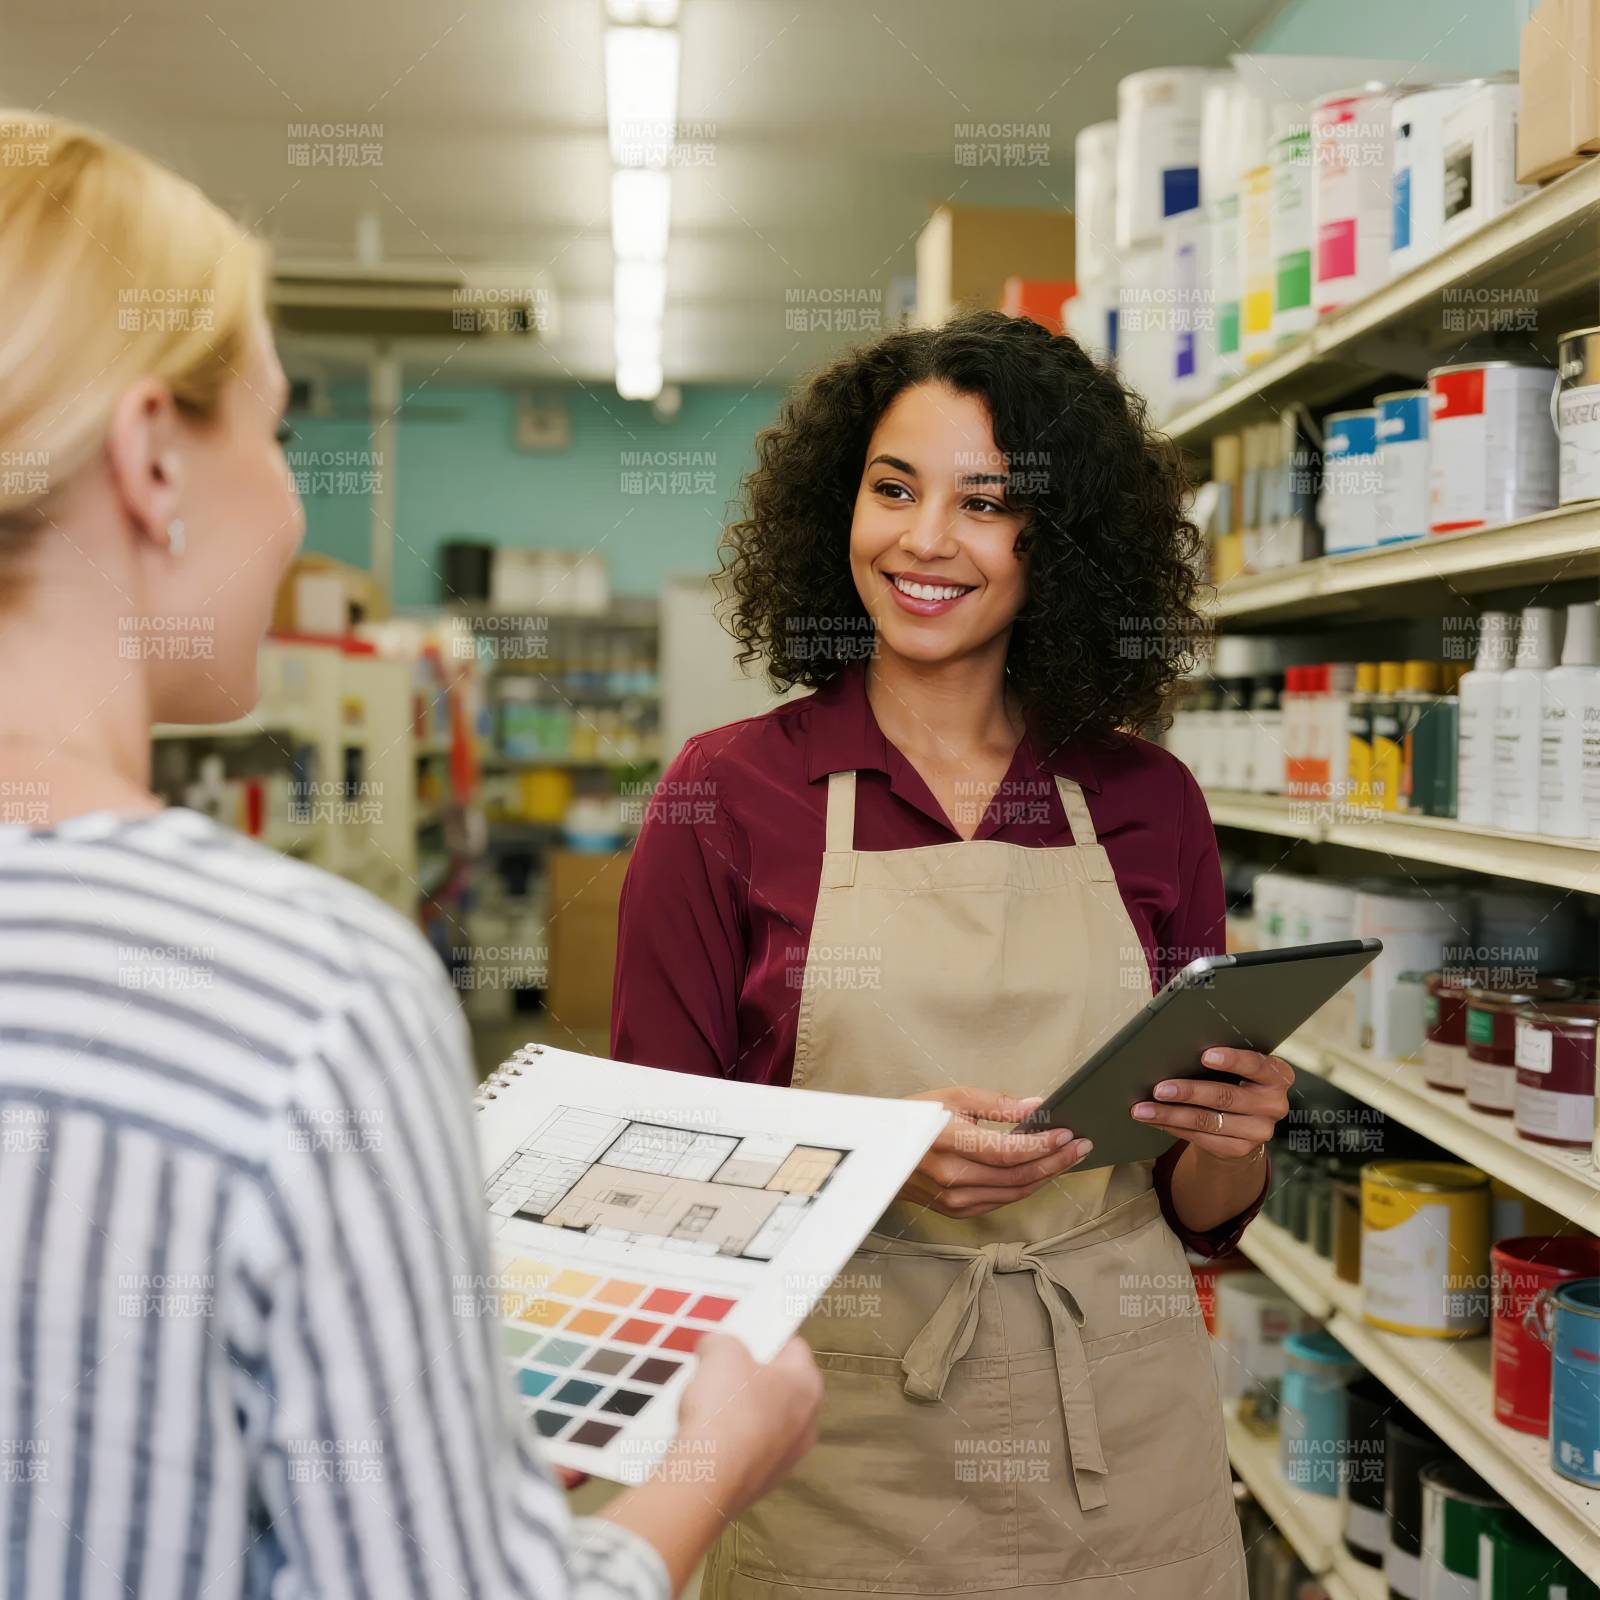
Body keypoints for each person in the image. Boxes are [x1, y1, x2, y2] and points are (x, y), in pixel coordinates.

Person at [0, 111, 820, 1600]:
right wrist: (712, 1461)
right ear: (152, 459)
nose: (291, 504)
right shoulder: (298, 992)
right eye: (274, 429)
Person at [612, 311, 1294, 1599]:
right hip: (839, 1442)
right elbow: (647, 1173)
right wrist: (870, 1158)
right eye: (893, 488)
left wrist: (1231, 1139)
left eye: (985, 503)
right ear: (839, 506)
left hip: (1124, 1442)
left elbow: (1198, 1215)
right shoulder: (728, 796)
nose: (925, 540)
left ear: (1062, 540)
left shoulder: (1149, 800)